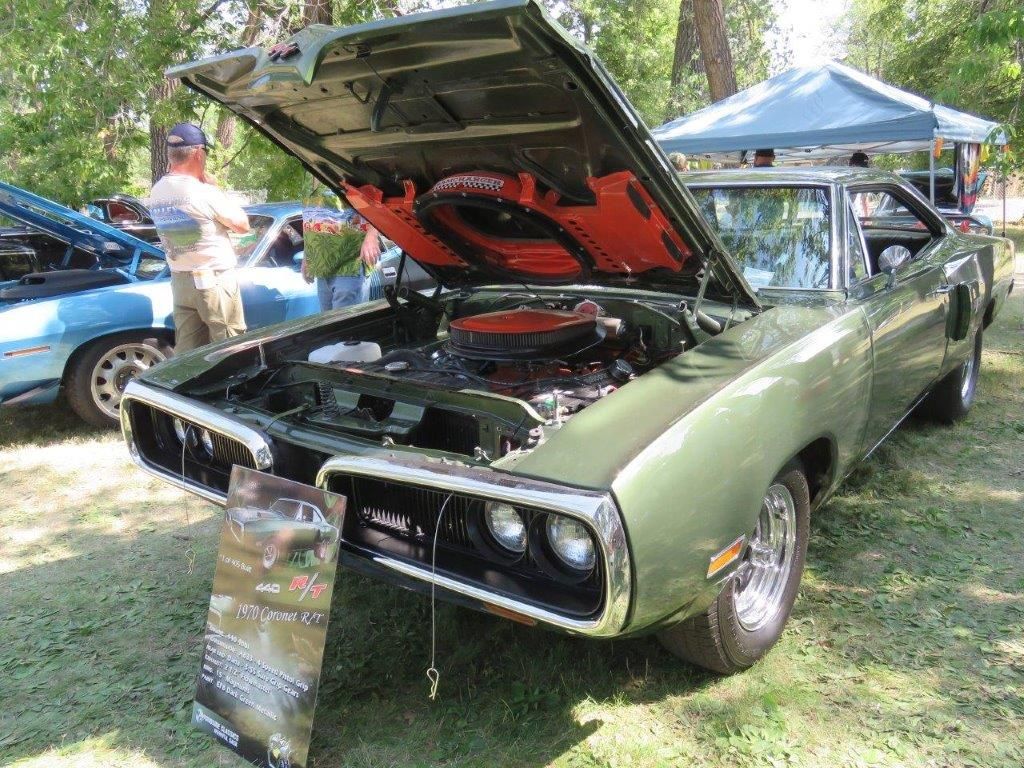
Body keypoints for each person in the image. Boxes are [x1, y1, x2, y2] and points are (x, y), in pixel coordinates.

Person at [148, 123, 250, 354]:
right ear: (198, 153)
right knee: (230, 347)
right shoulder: (202, 191)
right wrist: (216, 188)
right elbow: (243, 225)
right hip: (213, 280)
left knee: (189, 352)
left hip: (180, 280)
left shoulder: (157, 190)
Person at [300, 187, 381, 311]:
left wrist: (372, 235)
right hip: (322, 266)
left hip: (350, 263)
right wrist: (307, 256)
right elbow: (310, 218)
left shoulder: (345, 167)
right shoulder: (310, 170)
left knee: (346, 326)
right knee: (330, 326)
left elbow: (378, 199)